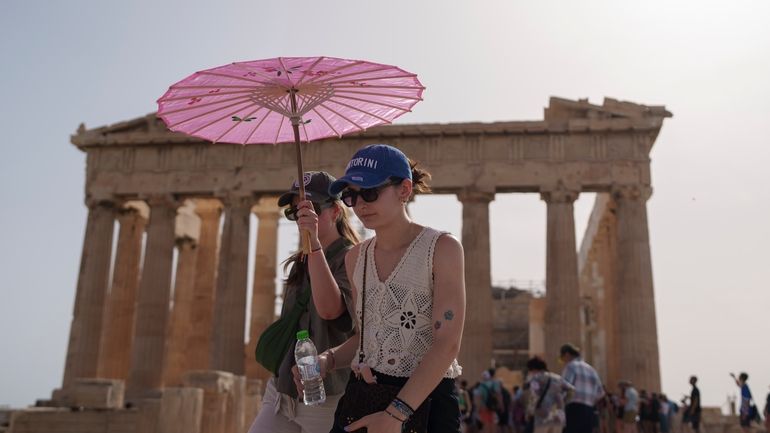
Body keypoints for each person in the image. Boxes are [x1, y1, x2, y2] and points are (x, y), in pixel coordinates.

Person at [297, 144, 466, 433]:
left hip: (425, 403)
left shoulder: (442, 249)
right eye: (351, 195)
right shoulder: (355, 258)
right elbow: (371, 337)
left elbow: (447, 343)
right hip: (364, 395)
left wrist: (396, 415)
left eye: (371, 192)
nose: (361, 204)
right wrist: (329, 359)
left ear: (404, 190)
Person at [246, 171, 360, 433]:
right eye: (295, 212)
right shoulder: (300, 261)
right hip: (282, 391)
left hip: (326, 397)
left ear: (336, 212)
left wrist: (316, 245)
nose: (302, 217)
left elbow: (331, 311)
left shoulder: (352, 258)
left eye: (313, 208)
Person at [559, 343, 604, 433]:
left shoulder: (571, 366)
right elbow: (601, 393)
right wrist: (590, 401)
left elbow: (565, 386)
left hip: (574, 408)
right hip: (589, 410)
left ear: (567, 355)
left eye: (562, 358)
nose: (563, 361)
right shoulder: (591, 369)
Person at [525, 356, 575, 433]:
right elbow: (572, 390)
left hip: (542, 417)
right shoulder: (558, 378)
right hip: (558, 416)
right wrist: (563, 401)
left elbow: (534, 396)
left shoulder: (535, 378)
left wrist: (530, 412)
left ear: (533, 368)